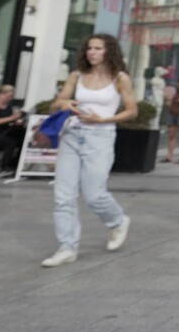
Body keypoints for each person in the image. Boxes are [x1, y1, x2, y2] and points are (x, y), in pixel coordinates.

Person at [41, 34, 136, 267]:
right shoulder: (76, 75)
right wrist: (63, 103)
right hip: (72, 136)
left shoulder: (120, 78)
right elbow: (56, 103)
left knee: (94, 195)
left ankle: (117, 221)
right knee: (63, 195)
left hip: (100, 137)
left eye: (98, 48)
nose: (92, 52)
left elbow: (132, 110)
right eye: (89, 48)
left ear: (108, 51)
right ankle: (67, 247)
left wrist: (104, 120)